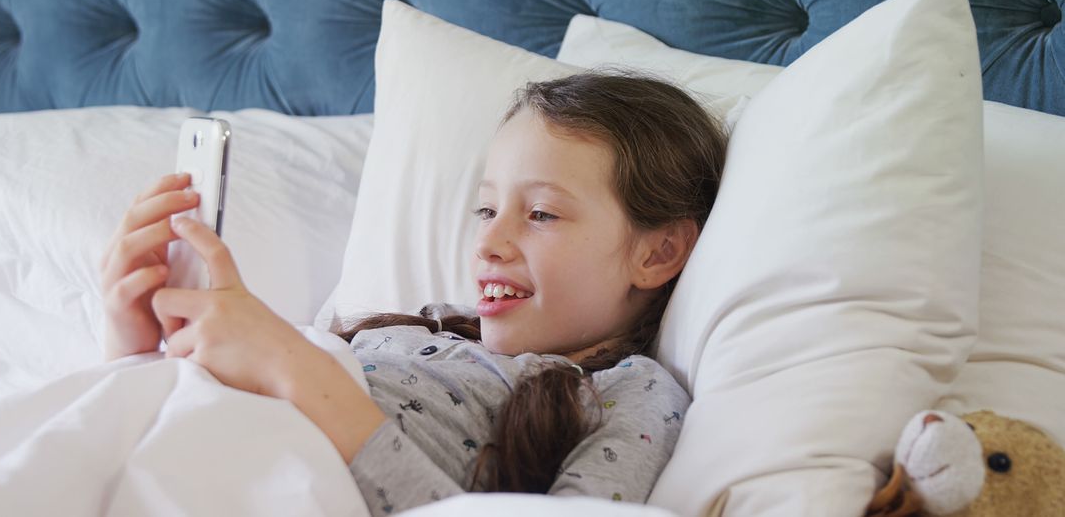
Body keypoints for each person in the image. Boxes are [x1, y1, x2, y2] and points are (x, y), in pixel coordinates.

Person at [99, 71, 727, 515]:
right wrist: (134, 347)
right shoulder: (410, 329)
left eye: (540, 214)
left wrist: (297, 371)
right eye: (485, 209)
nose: (488, 244)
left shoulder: (629, 393)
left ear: (659, 252)